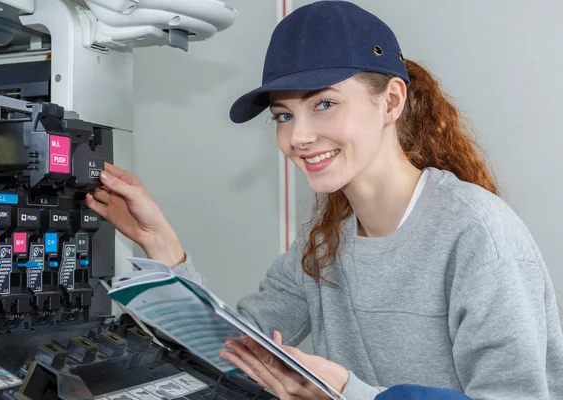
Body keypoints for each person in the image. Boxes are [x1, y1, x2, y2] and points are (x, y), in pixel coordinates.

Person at [85, 1, 563, 399]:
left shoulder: (478, 233)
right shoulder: (324, 242)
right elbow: (230, 352)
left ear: (391, 101)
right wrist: (162, 245)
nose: (299, 136)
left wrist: (350, 395)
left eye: (324, 104)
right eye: (283, 116)